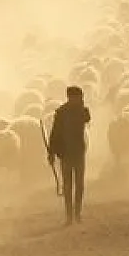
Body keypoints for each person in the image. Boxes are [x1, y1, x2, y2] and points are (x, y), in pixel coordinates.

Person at [46, 85, 91, 226]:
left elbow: (87, 118)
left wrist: (81, 105)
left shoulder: (81, 111)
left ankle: (76, 214)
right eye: (78, 97)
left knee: (79, 185)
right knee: (68, 186)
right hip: (66, 153)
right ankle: (70, 216)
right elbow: (54, 134)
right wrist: (51, 152)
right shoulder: (61, 113)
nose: (80, 99)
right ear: (71, 97)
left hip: (77, 152)